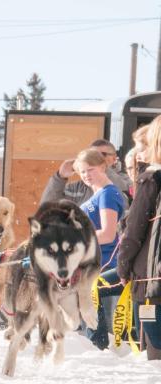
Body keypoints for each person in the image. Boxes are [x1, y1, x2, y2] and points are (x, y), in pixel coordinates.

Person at [118, 116, 161, 360]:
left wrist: (123, 267)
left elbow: (134, 231)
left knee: (156, 353)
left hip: (152, 280)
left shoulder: (152, 179)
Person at [73, 148, 125, 350]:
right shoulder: (97, 194)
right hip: (90, 265)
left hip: (102, 265)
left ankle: (99, 356)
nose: (86, 175)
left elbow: (108, 234)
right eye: (82, 171)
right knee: (90, 320)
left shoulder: (108, 194)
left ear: (103, 166)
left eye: (90, 169)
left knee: (95, 325)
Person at [40, 139, 131, 206]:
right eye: (91, 155)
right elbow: (47, 208)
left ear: (114, 158)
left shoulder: (128, 180)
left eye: (101, 155)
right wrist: (59, 178)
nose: (95, 159)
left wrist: (102, 169)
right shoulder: (77, 188)